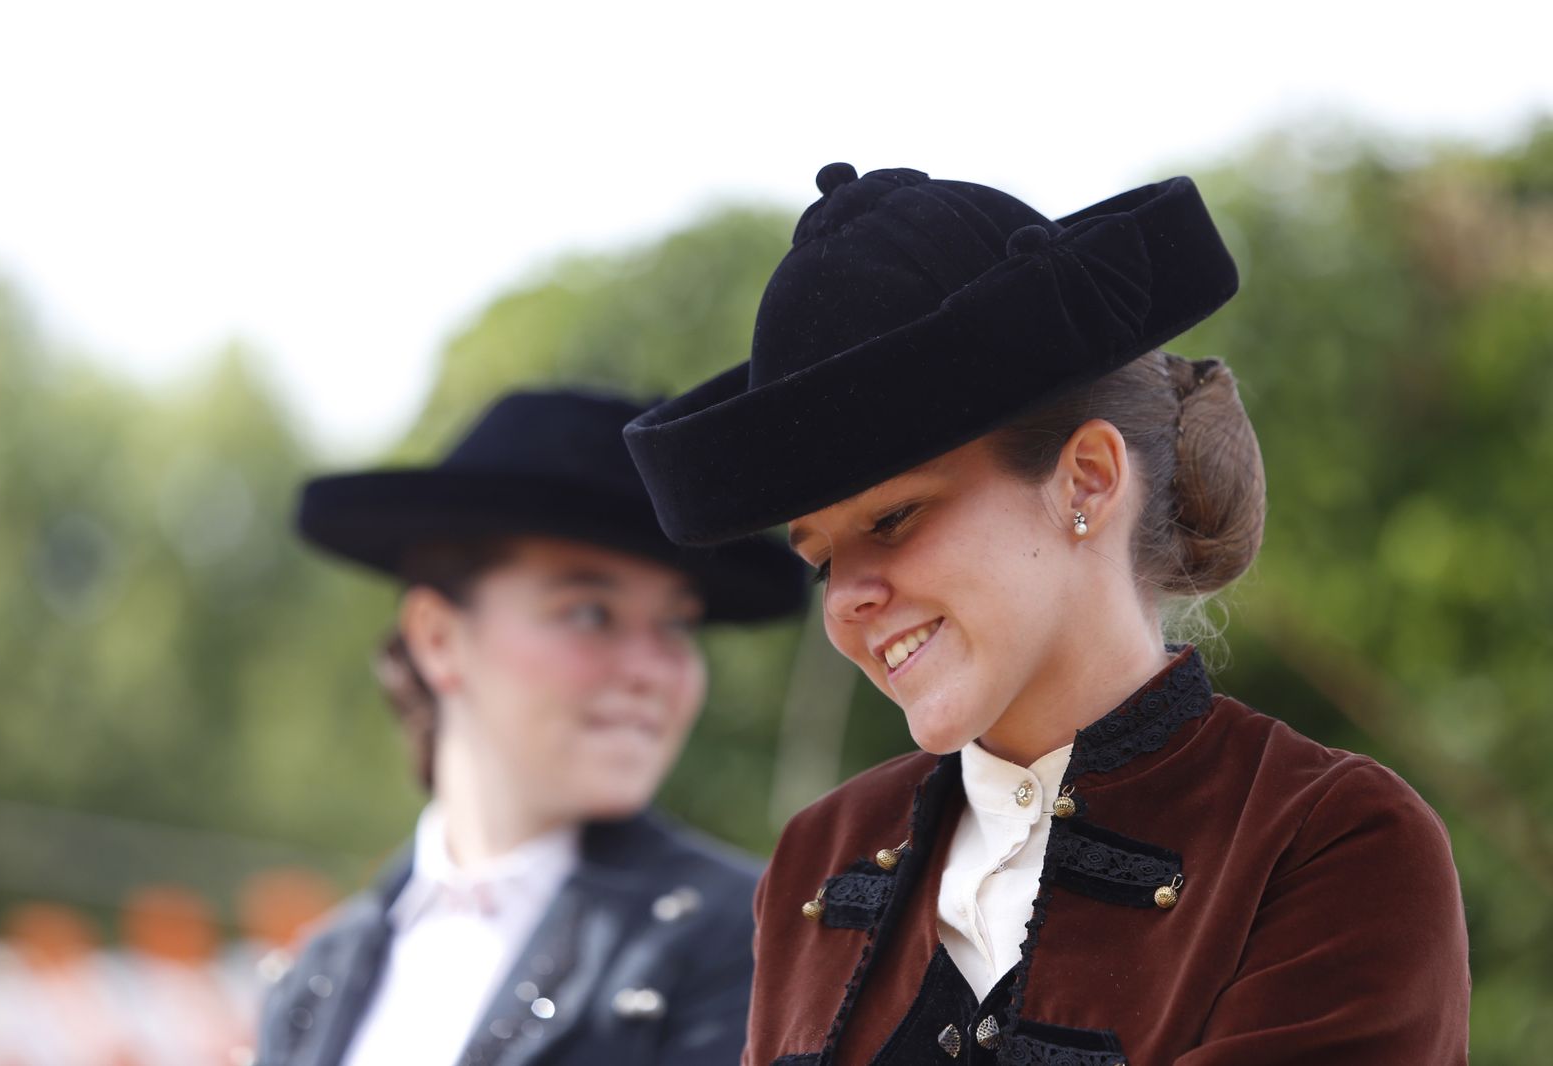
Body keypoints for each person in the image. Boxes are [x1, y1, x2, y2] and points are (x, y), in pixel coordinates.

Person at [624, 165, 1471, 1064]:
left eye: (893, 518)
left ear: (1088, 480)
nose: (847, 598)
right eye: (823, 559)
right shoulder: (816, 860)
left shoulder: (1328, 840)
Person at [253, 388, 806, 1066]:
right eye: (589, 613)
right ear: (438, 639)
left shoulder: (752, 946)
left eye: (675, 625)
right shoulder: (317, 972)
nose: (649, 670)